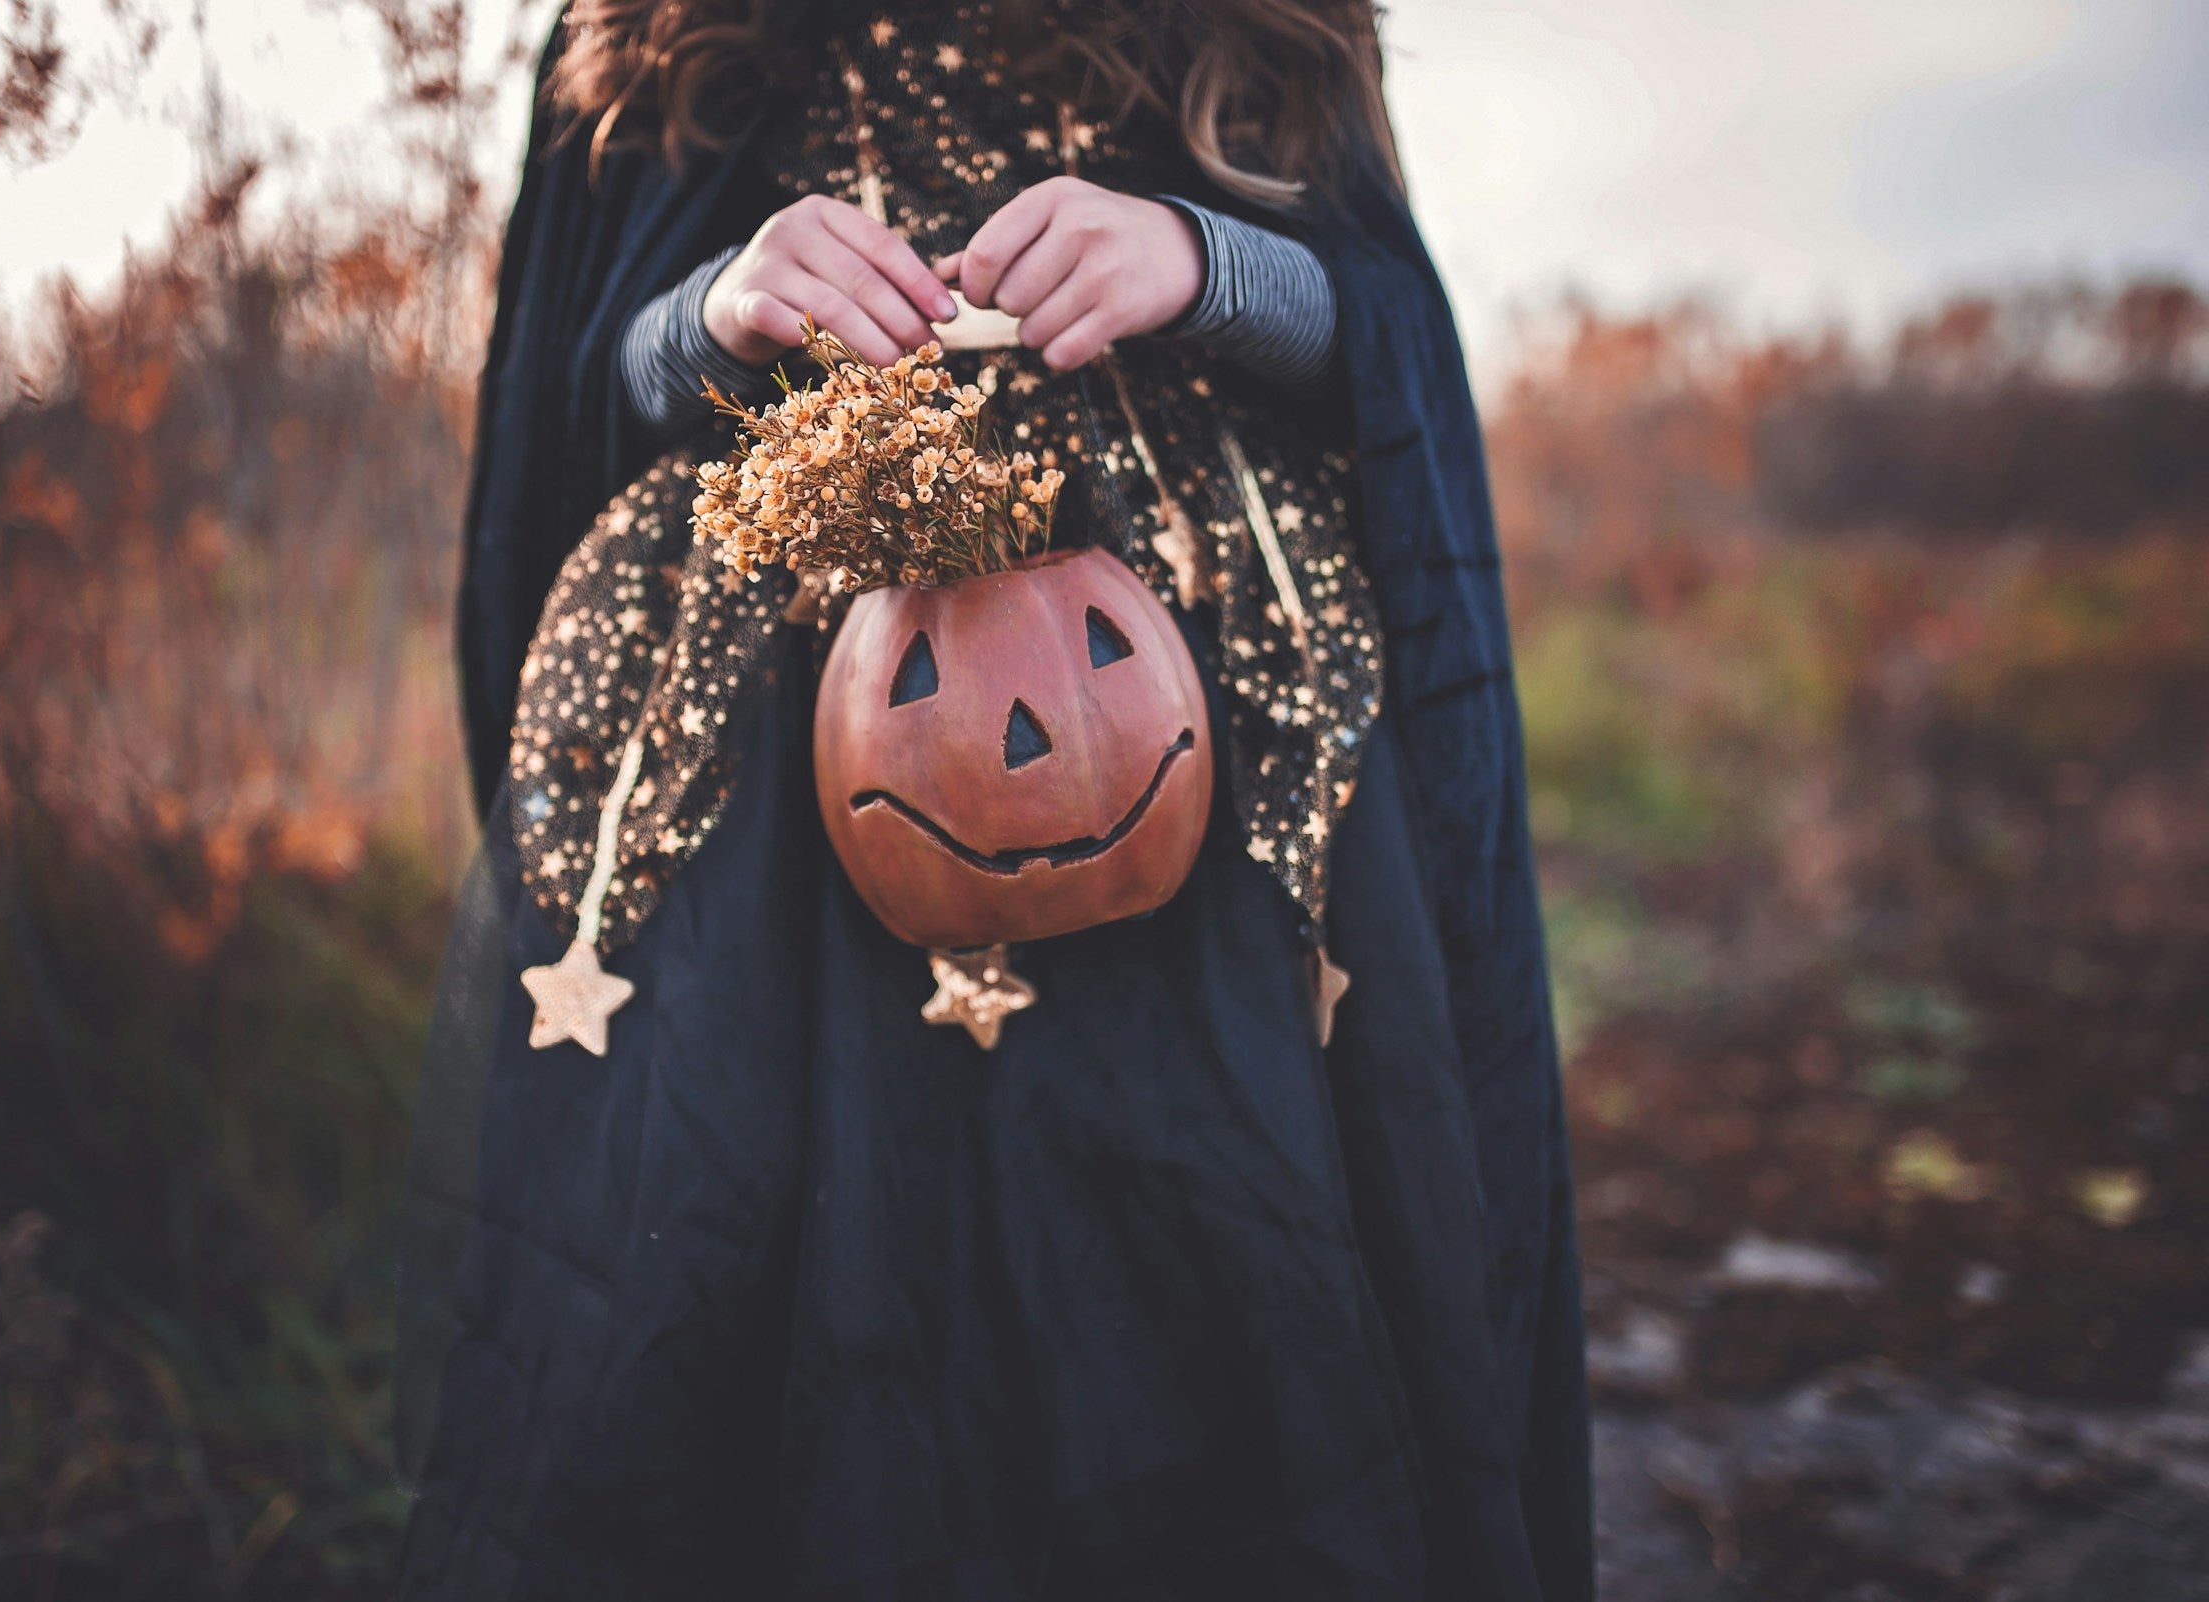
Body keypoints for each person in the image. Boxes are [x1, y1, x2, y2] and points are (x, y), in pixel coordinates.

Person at [397, 2, 1593, 1596]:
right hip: (783, 808)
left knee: (1213, 1288)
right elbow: (582, 382)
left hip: (1214, 772)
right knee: (793, 1300)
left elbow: (1387, 335)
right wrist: (719, 304)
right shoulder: (666, 39)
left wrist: (1202, 261)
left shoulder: (1251, 26)